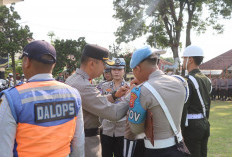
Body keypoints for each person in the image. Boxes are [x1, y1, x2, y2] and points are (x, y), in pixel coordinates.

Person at [0, 40, 84, 157]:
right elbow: (78, 144)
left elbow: (3, 149)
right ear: (53, 64)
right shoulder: (73, 94)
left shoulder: (12, 98)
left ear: (27, 62)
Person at [65, 44, 130, 157]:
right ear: (92, 63)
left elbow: (94, 102)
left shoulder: (76, 80)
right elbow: (114, 113)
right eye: (104, 64)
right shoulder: (82, 85)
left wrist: (114, 96)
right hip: (87, 144)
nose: (106, 69)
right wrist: (131, 95)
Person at [126, 46, 189, 157]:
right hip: (180, 147)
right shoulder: (180, 82)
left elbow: (136, 129)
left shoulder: (140, 91)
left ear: (138, 68)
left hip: (156, 151)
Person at [181, 45, 212, 157]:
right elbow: (208, 104)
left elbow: (184, 107)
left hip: (191, 126)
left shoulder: (188, 80)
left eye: (184, 58)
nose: (182, 61)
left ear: (190, 59)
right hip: (204, 122)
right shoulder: (206, 79)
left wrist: (181, 131)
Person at [100, 58, 129, 157]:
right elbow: (99, 104)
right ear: (111, 71)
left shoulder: (129, 87)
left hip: (122, 130)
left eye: (119, 69)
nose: (116, 72)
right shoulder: (103, 87)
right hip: (106, 129)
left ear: (124, 70)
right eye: (114, 69)